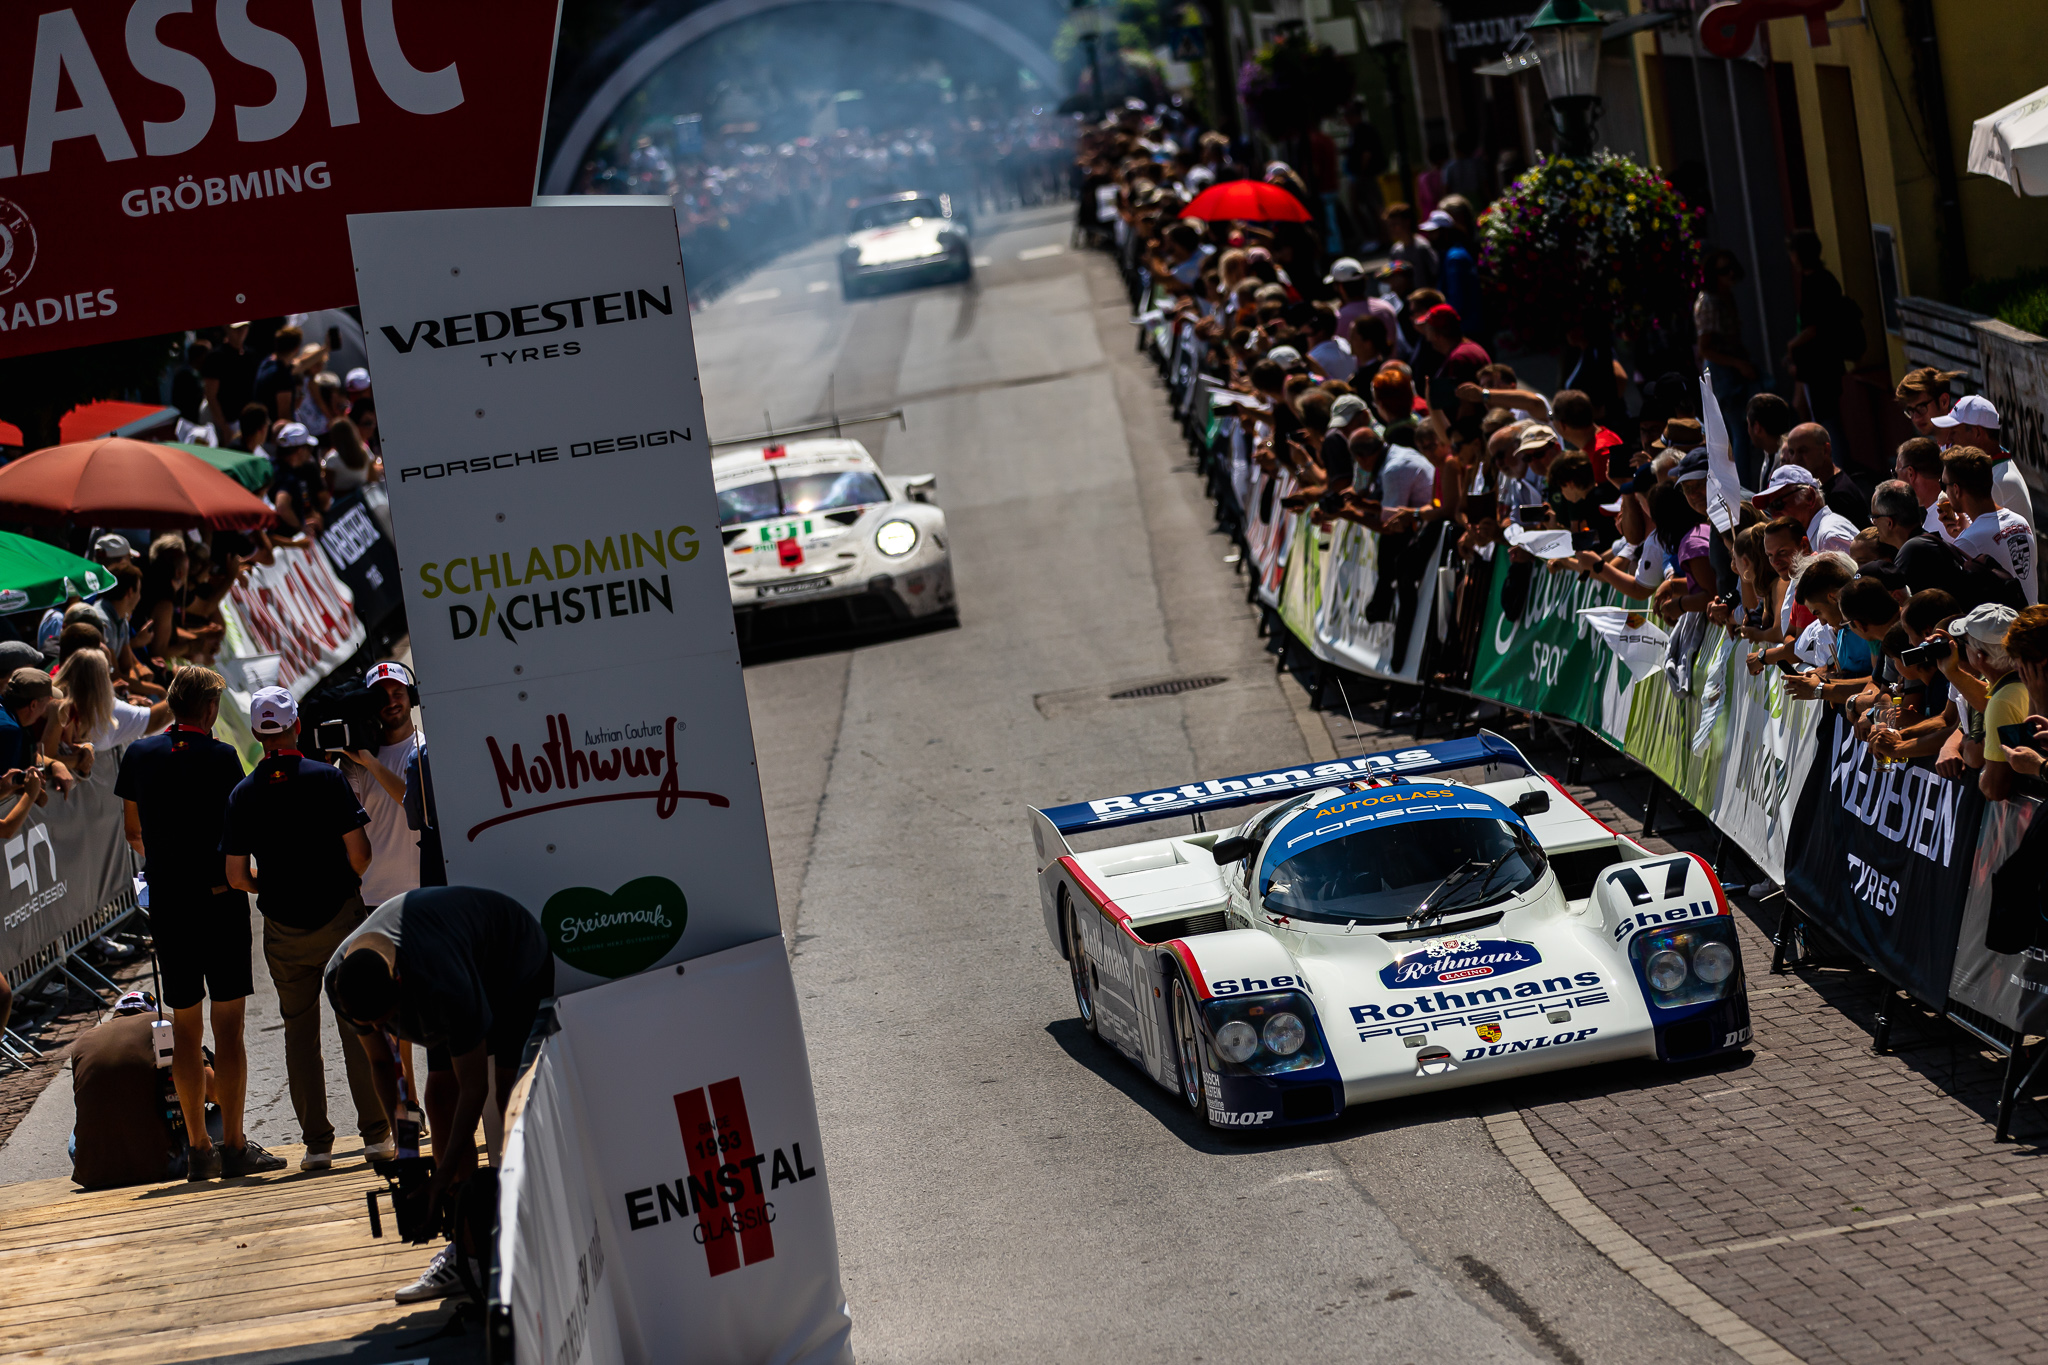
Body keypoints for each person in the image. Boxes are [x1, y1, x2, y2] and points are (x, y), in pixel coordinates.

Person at [325, 886, 554, 1304]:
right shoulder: (340, 979)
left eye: (387, 1019)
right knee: (438, 1100)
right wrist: (410, 1158)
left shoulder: (439, 982)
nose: (382, 1029)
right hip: (442, 961)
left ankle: (536, 1225)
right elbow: (385, 1067)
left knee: (508, 1096)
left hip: (510, 963)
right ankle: (467, 1253)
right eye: (370, 1024)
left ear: (398, 984)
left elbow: (476, 1089)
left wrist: (442, 1178)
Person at [115, 669, 283, 1180]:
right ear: (209, 710)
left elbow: (132, 830)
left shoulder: (139, 755)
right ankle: (233, 1145)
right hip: (219, 902)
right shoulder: (221, 757)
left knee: (186, 1030)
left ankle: (197, 1150)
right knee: (228, 1029)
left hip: (170, 905)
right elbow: (241, 829)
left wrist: (169, 865)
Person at [219, 686, 392, 1171]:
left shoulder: (242, 795)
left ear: (256, 734)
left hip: (283, 927)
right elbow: (360, 854)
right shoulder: (325, 778)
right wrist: (339, 882)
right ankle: (377, 1134)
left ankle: (317, 1145)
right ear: (297, 728)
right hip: (340, 917)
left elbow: (235, 876)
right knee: (359, 1023)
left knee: (299, 1035)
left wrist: (271, 887)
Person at [343, 662, 423, 910]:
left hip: (422, 891)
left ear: (412, 697)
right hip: (371, 897)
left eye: (397, 693)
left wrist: (372, 763)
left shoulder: (427, 750)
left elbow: (417, 805)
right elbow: (345, 825)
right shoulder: (354, 760)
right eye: (380, 697)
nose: (391, 702)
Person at [1945, 446, 2037, 605]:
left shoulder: (1965, 543)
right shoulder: (2020, 521)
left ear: (1956, 489)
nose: (1944, 492)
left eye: (1943, 484)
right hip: (2034, 622)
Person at [1931, 394, 2036, 529]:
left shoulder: (1997, 482)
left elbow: (1981, 541)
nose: (1949, 439)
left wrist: (1959, 525)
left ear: (1977, 433)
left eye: (1954, 432)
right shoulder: (1995, 468)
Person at [1783, 229, 1849, 440]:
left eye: (1792, 252)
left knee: (1825, 418)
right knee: (1815, 412)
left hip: (1820, 364)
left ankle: (1834, 463)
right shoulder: (1823, 279)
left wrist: (1793, 345)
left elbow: (1815, 327)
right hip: (1822, 362)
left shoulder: (1815, 283)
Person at [1753, 464, 1858, 556]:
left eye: (1778, 504)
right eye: (1770, 507)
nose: (1774, 515)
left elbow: (1859, 577)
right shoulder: (1819, 535)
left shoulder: (1828, 537)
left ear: (1809, 497)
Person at [1781, 423, 1871, 529]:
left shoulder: (1838, 497)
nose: (1795, 459)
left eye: (1803, 451)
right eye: (1791, 452)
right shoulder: (1822, 490)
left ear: (1825, 450)